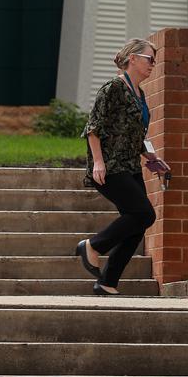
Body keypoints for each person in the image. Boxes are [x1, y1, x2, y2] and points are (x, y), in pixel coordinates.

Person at [75, 38, 168, 296]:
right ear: (133, 58)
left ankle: (107, 282)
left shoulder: (140, 94)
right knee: (145, 215)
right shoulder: (114, 87)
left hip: (130, 167)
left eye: (154, 60)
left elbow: (135, 135)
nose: (153, 64)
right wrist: (98, 162)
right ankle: (93, 246)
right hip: (111, 167)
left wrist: (152, 159)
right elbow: (93, 127)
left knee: (138, 222)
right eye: (150, 58)